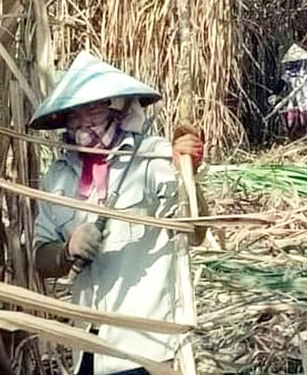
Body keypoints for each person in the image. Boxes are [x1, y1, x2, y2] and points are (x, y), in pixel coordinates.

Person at [29, 50, 207, 375]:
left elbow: (193, 232)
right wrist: (67, 250)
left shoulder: (153, 157)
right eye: (74, 114)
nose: (85, 123)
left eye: (94, 109)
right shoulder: (57, 177)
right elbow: (40, 259)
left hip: (145, 348)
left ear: (119, 108)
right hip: (87, 349)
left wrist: (186, 172)